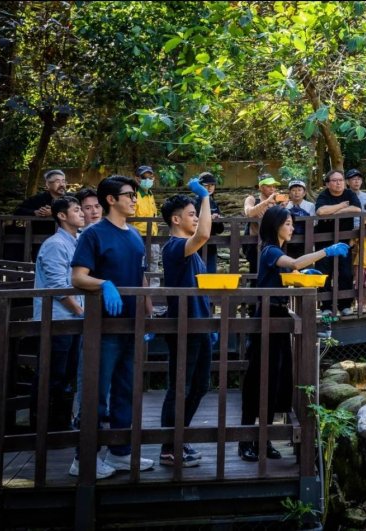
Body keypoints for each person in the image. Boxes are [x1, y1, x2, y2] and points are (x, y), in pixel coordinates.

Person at [239, 206, 348, 461]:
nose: (292, 228)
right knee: (258, 378)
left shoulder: (276, 251)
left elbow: (290, 272)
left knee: (275, 380)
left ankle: (263, 441)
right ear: (275, 225)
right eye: (287, 223)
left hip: (278, 317)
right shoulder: (269, 250)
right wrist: (327, 251)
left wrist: (300, 276)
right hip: (266, 319)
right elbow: (295, 263)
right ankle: (245, 442)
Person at [71, 175, 155, 478]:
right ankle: (83, 459)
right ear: (111, 199)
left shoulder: (134, 235)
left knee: (126, 392)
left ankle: (120, 452)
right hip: (103, 327)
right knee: (96, 392)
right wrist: (104, 283)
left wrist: (148, 313)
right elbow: (78, 277)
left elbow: (140, 276)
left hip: (132, 326)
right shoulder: (94, 234)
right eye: (129, 194)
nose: (134, 199)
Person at [158, 179, 213, 468]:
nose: (197, 218)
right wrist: (204, 196)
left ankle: (180, 438)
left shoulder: (190, 251)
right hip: (184, 327)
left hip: (200, 325)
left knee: (200, 385)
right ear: (176, 219)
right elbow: (204, 234)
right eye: (191, 214)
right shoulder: (175, 247)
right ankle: (169, 447)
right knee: (180, 386)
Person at [31, 196, 86, 433]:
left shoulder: (78, 241)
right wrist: (79, 310)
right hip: (57, 318)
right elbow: (56, 286)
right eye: (76, 210)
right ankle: (44, 426)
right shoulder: (55, 244)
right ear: (62, 216)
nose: (82, 213)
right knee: (54, 372)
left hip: (73, 319)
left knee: (68, 372)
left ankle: (60, 423)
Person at [315, 170, 362, 316]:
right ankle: (326, 306)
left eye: (341, 180)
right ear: (328, 183)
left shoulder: (349, 194)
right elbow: (321, 212)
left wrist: (334, 212)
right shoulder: (324, 195)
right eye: (335, 180)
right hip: (324, 240)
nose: (338, 183)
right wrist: (341, 206)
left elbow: (357, 208)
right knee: (324, 273)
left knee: (346, 273)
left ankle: (345, 305)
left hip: (344, 240)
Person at [14, 169, 69, 258]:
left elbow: (78, 212)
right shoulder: (38, 199)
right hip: (41, 241)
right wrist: (35, 212)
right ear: (47, 184)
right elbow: (17, 210)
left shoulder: (71, 198)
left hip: (66, 239)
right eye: (58, 181)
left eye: (63, 181)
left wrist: (53, 212)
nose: (62, 184)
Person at [242, 175, 285, 279]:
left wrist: (282, 208)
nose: (272, 189)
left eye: (274, 186)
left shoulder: (276, 203)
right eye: (268, 186)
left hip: (274, 243)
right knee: (256, 274)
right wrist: (266, 202)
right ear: (261, 187)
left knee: (274, 274)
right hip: (255, 243)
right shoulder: (252, 199)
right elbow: (249, 212)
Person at [132, 165, 160, 287]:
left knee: (154, 266)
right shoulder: (134, 195)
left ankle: (154, 296)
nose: (148, 180)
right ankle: (139, 297)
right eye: (144, 177)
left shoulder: (150, 195)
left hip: (153, 236)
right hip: (138, 237)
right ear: (137, 178)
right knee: (139, 266)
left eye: (150, 176)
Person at [195, 172, 225, 274]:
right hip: (196, 244)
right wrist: (207, 218)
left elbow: (220, 230)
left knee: (210, 274)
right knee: (197, 275)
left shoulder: (214, 203)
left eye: (212, 185)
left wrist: (217, 220)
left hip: (211, 245)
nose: (209, 187)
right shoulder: (194, 202)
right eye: (206, 185)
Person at [284, 179, 316, 258]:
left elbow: (314, 222)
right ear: (289, 193)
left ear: (304, 193)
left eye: (299, 190)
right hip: (287, 239)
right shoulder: (285, 205)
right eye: (293, 190)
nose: (296, 193)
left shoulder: (310, 206)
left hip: (305, 238)